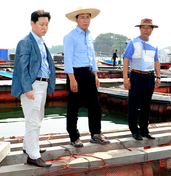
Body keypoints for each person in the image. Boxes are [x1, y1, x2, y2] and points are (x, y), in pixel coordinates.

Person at [11, 10, 56, 167]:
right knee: (33, 121)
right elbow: (22, 68)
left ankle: (28, 147)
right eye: (41, 24)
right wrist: (27, 88)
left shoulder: (41, 42)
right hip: (33, 85)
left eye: (47, 24)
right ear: (32, 23)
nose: (45, 27)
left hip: (42, 85)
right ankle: (33, 156)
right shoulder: (26, 42)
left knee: (37, 118)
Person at [63, 7, 110, 147]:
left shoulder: (89, 36)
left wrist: (95, 75)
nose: (85, 20)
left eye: (87, 17)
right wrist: (72, 78)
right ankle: (74, 137)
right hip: (76, 74)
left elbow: (93, 57)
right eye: (82, 17)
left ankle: (95, 134)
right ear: (76, 19)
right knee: (74, 107)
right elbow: (68, 59)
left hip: (89, 74)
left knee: (95, 105)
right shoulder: (70, 36)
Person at [123, 18, 161, 140]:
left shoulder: (154, 44)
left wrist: (158, 76)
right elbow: (126, 60)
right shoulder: (132, 43)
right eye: (143, 27)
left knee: (146, 104)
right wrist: (125, 78)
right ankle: (134, 130)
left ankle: (144, 130)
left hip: (150, 77)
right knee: (134, 104)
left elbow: (156, 61)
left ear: (152, 30)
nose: (146, 30)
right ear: (140, 29)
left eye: (149, 28)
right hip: (136, 76)